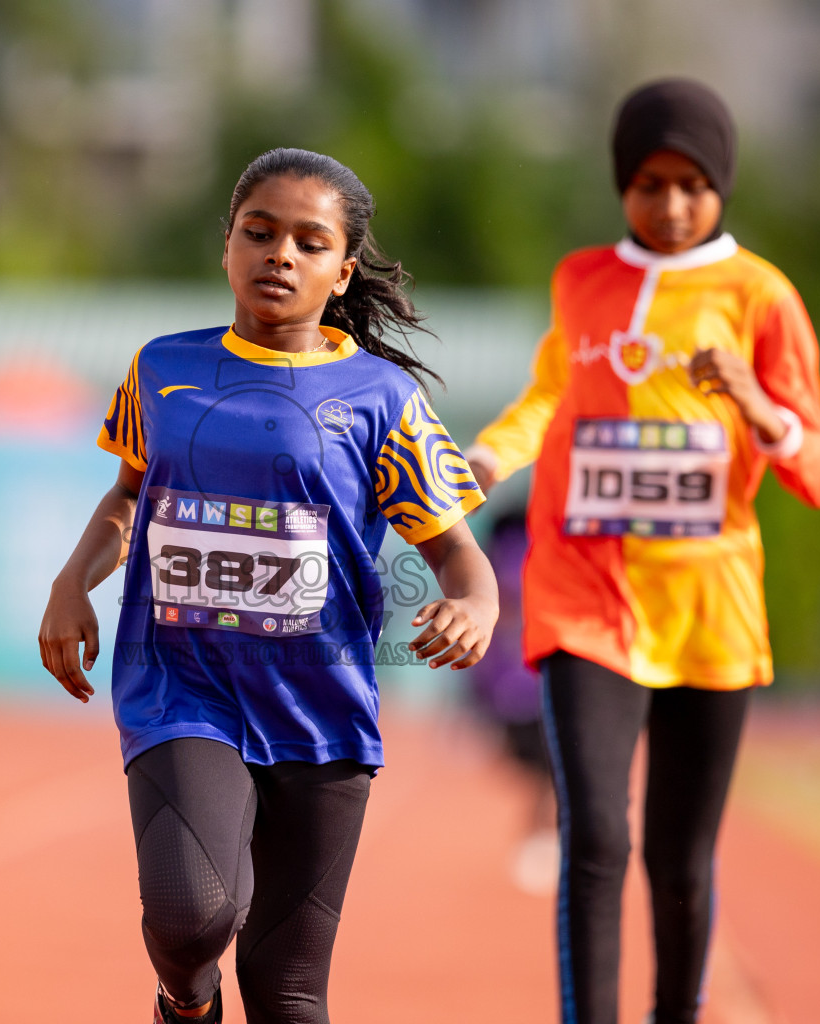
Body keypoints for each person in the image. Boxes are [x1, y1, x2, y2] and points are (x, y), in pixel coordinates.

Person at [39, 147, 496, 1024]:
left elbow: (458, 555)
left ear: (341, 270)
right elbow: (129, 497)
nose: (279, 254)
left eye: (307, 242)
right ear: (227, 246)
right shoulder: (162, 369)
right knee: (190, 917)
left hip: (321, 713)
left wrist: (477, 604)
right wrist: (72, 583)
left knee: (290, 994)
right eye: (260, 232)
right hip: (181, 688)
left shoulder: (382, 399)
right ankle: (186, 998)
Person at [464, 80, 820, 1024]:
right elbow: (551, 395)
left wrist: (759, 409)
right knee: (594, 836)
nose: (670, 205)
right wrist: (487, 456)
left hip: (709, 609)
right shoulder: (581, 280)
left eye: (691, 184)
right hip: (586, 594)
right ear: (620, 184)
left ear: (721, 185)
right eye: (648, 182)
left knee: (679, 862)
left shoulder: (761, 295)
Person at [465, 510, 557, 893]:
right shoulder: (507, 554)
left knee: (553, 772)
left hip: (543, 677)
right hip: (515, 682)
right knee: (534, 770)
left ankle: (542, 836)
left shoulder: (542, 554)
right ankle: (539, 834)